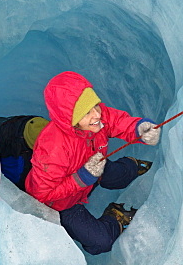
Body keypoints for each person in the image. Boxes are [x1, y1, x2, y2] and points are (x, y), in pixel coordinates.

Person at [25, 71, 160, 254]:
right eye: (86, 112)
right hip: (63, 203)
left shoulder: (96, 118)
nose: (96, 114)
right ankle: (115, 217)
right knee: (101, 242)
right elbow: (40, 194)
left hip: (93, 169)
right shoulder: (53, 149)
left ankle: (131, 165)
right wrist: (82, 178)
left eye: (95, 105)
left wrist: (139, 129)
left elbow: (117, 122)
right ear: (70, 118)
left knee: (122, 174)